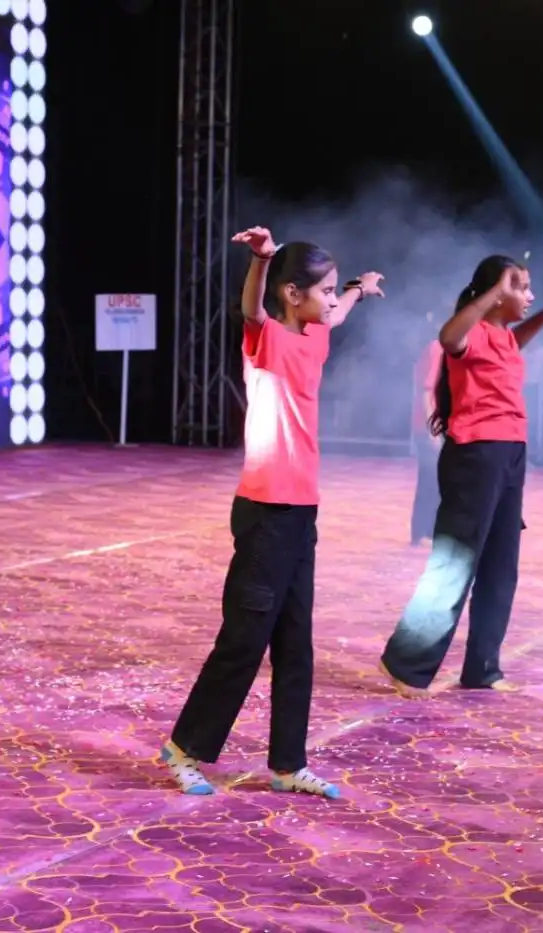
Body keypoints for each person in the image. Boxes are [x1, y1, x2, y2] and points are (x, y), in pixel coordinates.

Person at [161, 226, 384, 797]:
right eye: (325, 290)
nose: (331, 301)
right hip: (264, 511)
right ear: (292, 293)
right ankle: (184, 748)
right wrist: (262, 260)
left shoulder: (316, 335)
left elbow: (338, 314)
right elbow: (252, 309)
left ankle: (288, 763)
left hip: (301, 510)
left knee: (295, 644)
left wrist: (358, 288)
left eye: (333, 290)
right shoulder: (267, 340)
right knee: (244, 640)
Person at [380, 255, 543, 697]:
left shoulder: (502, 337)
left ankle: (483, 667)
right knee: (455, 563)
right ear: (496, 293)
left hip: (510, 452)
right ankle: (406, 664)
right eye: (520, 287)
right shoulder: (469, 334)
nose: (528, 295)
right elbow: (448, 337)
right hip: (476, 454)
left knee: (501, 566)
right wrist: (494, 292)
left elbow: (516, 340)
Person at [409, 324, 443, 546]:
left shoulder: (443, 349)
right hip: (428, 425)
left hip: (438, 424)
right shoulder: (436, 348)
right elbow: (426, 390)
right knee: (430, 480)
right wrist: (432, 429)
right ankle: (422, 532)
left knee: (438, 480)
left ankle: (428, 531)